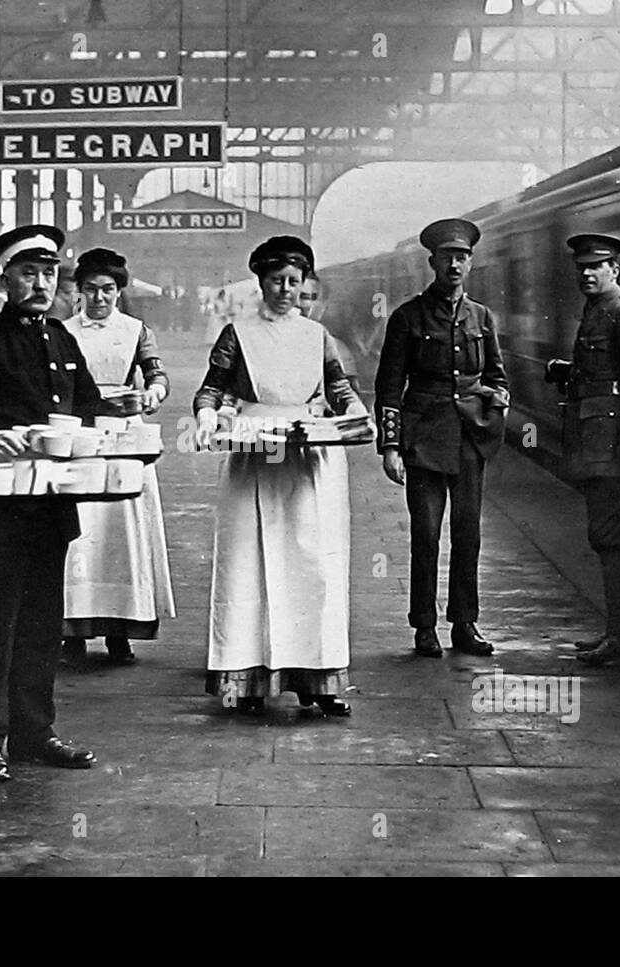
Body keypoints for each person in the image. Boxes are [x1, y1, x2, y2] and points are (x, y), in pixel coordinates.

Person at [0, 224, 104, 779]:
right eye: (29, 273)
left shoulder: (60, 338)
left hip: (52, 502)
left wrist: (115, 413)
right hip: (2, 506)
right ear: (6, 278)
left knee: (42, 623)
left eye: (50, 273)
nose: (41, 283)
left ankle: (36, 732)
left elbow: (88, 405)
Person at [193, 235, 365, 717]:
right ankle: (243, 682)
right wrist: (207, 418)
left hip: (310, 457)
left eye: (294, 281)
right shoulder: (238, 333)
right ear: (261, 282)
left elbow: (338, 387)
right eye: (276, 281)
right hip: (253, 453)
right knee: (248, 566)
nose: (286, 290)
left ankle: (319, 681)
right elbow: (212, 389)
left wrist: (355, 413)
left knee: (312, 568)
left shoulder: (317, 335)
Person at [374, 218, 509, 658]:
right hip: (424, 439)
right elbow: (389, 387)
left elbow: (497, 376)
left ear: (471, 263)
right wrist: (391, 446)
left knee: (468, 533)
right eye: (447, 256)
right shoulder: (408, 317)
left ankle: (465, 623)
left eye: (462, 257)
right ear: (432, 262)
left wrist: (493, 409)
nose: (455, 264)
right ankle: (425, 626)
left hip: (469, 438)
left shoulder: (482, 317)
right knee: (426, 533)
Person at [545, 234, 620, 668]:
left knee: (612, 538)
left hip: (616, 451)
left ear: (615, 269)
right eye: (582, 268)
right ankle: (619, 632)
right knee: (606, 538)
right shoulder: (598, 311)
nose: (588, 274)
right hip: (597, 447)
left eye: (597, 266)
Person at [60, 247, 175, 665]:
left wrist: (153, 392)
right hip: (77, 436)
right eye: (90, 290)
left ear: (119, 292)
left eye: (108, 290)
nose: (99, 299)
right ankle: (71, 632)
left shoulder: (135, 330)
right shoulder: (62, 331)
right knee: (78, 539)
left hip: (123, 436)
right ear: (79, 291)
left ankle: (119, 631)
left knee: (119, 538)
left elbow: (156, 371)